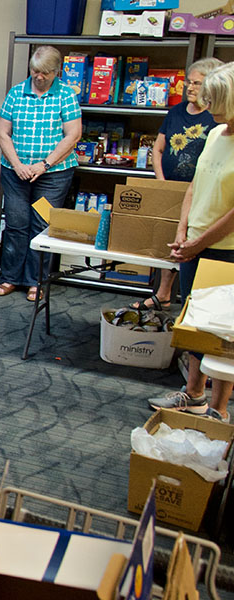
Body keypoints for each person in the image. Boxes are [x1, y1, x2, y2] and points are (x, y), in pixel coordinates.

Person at [148, 62, 234, 422]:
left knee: (221, 331)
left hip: (224, 251)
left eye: (216, 99)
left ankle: (218, 408)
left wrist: (198, 243)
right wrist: (183, 231)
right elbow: (196, 187)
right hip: (194, 244)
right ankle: (194, 395)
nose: (208, 105)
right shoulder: (215, 135)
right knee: (195, 323)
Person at [134, 57, 225, 311]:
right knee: (171, 239)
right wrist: (162, 183)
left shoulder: (215, 121)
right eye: (188, 83)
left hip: (205, 208)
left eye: (197, 83)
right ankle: (163, 293)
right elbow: (159, 149)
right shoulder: (178, 113)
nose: (191, 88)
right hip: (173, 189)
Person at [0, 45, 83, 302]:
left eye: (45, 73)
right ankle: (11, 277)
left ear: (57, 71)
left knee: (41, 226)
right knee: (16, 224)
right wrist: (18, 165)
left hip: (53, 174)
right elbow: (2, 132)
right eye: (35, 71)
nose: (39, 77)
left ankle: (36, 281)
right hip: (16, 173)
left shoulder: (65, 95)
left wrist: (45, 164)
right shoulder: (16, 93)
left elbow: (73, 134)